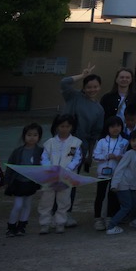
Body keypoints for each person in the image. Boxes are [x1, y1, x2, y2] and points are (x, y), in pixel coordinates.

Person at [60, 66, 105, 222]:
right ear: (84, 87)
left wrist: (90, 155)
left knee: (71, 179)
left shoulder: (99, 109)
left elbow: (94, 134)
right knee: (58, 178)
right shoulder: (74, 96)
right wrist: (83, 75)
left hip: (79, 148)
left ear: (99, 87)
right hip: (61, 143)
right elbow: (64, 82)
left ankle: (67, 212)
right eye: (89, 87)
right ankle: (54, 211)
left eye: (95, 87)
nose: (92, 90)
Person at [39, 115, 82, 234]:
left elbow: (77, 159)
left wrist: (67, 170)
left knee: (64, 200)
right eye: (62, 126)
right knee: (46, 200)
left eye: (67, 126)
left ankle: (60, 223)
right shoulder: (49, 143)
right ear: (57, 127)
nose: (64, 129)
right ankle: (45, 223)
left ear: (72, 127)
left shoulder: (76, 142)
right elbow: (44, 157)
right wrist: (50, 169)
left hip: (66, 177)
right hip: (50, 176)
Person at [5, 122, 44, 237]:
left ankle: (22, 226)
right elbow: (10, 166)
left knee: (27, 204)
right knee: (18, 205)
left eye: (35, 135)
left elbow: (44, 166)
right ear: (24, 136)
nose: (32, 137)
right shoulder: (18, 151)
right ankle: (11, 226)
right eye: (29, 135)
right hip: (18, 182)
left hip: (31, 183)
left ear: (39, 137)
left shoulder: (41, 151)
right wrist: (6, 181)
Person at [105, 129, 136, 236]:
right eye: (133, 141)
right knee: (126, 206)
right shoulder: (129, 153)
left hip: (132, 186)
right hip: (122, 184)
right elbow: (120, 169)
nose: (135, 143)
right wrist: (115, 184)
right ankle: (111, 226)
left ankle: (132, 219)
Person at [91, 116, 127, 231]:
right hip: (102, 174)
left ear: (121, 127)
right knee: (100, 196)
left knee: (113, 197)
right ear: (108, 128)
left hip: (116, 174)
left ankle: (109, 218)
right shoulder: (102, 142)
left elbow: (127, 157)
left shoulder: (125, 142)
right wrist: (107, 156)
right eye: (112, 126)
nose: (115, 129)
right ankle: (98, 219)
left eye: (118, 126)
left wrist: (121, 157)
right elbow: (95, 156)